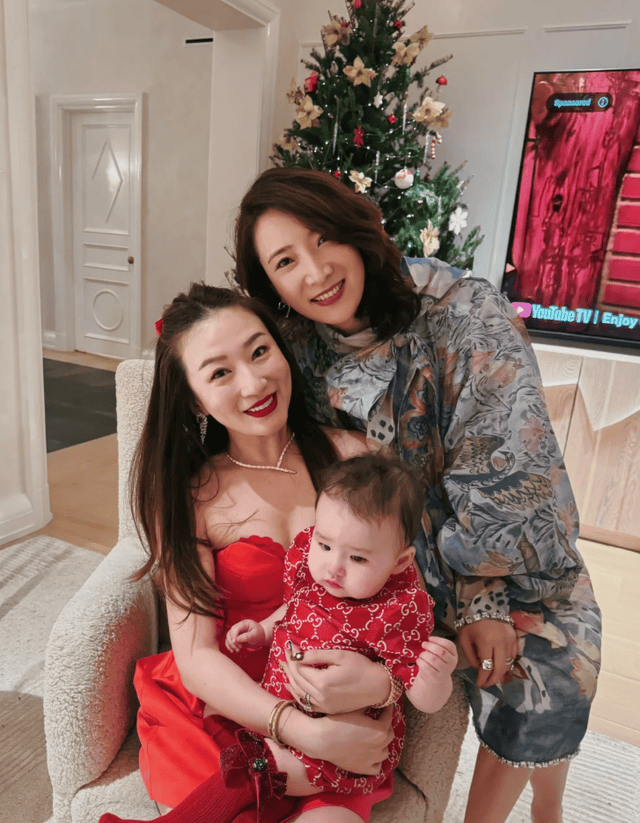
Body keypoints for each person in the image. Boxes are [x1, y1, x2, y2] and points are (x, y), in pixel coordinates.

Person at [233, 167, 602, 823]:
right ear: (270, 284)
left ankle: (546, 804)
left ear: (354, 229)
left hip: (503, 556)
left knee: (545, 672)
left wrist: (484, 597)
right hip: (390, 560)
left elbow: (503, 467)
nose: (316, 272)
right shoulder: (299, 348)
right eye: (286, 262)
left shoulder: (462, 310)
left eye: (323, 239)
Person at [100, 282, 440, 823]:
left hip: (342, 716)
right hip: (223, 713)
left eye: (260, 351)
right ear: (194, 398)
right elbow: (197, 656)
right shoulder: (190, 497)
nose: (254, 382)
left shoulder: (359, 463)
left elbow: (406, 605)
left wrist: (381, 686)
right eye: (219, 373)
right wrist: (300, 730)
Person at [226, 452, 458, 797]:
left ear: (400, 562)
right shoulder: (312, 570)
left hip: (341, 740)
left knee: (268, 773)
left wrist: (436, 677)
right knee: (225, 727)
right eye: (324, 544)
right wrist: (263, 630)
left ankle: (250, 791)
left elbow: (421, 696)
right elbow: (294, 610)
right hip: (277, 703)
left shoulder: (397, 610)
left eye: (358, 558)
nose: (333, 566)